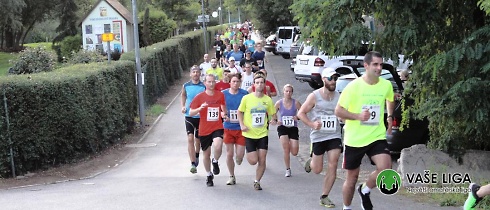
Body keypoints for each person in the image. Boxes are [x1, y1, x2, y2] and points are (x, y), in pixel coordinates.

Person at [335, 51, 394, 210]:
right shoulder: (353, 87)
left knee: (386, 169)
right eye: (375, 64)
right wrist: (358, 116)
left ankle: (365, 190)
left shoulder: (385, 84)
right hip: (355, 139)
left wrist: (389, 117)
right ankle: (347, 207)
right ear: (366, 66)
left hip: (376, 136)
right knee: (352, 178)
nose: (379, 68)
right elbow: (338, 111)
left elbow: (390, 98)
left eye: (381, 64)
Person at [297, 68, 343, 208]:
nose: (333, 81)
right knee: (317, 170)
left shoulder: (339, 96)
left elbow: (344, 112)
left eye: (335, 78)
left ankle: (325, 196)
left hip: (334, 134)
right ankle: (311, 161)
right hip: (318, 136)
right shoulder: (314, 96)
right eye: (331, 78)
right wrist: (311, 124)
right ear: (323, 79)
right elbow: (301, 113)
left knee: (333, 164)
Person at [238, 74, 277, 190]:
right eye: (258, 82)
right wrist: (242, 125)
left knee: (262, 159)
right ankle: (248, 154)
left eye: (262, 82)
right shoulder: (247, 98)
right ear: (254, 84)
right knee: (253, 161)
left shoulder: (268, 100)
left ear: (264, 85)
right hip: (249, 133)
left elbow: (272, 114)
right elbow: (239, 112)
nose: (260, 84)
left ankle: (257, 181)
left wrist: (273, 120)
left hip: (262, 134)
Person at [189, 74, 228, 187]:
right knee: (206, 154)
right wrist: (199, 109)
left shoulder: (220, 95)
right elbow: (191, 112)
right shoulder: (199, 97)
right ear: (205, 83)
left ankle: (215, 161)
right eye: (209, 82)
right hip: (204, 129)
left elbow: (223, 106)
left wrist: (224, 114)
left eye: (213, 82)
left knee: (218, 144)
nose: (211, 84)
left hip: (217, 126)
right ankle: (209, 175)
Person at [222, 73, 249, 185]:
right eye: (233, 81)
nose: (235, 83)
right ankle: (232, 176)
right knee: (229, 154)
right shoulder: (223, 94)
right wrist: (223, 114)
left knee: (240, 154)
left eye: (237, 81)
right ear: (230, 82)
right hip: (228, 127)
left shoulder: (245, 94)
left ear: (240, 83)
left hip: (241, 128)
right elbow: (221, 107)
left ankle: (239, 158)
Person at [181, 65, 206, 174]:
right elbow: (183, 95)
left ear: (200, 74)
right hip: (189, 115)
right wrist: (183, 106)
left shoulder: (204, 86)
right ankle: (192, 163)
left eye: (197, 72)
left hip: (200, 116)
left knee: (198, 139)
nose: (195, 74)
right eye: (193, 72)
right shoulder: (186, 85)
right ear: (190, 74)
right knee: (190, 138)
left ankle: (196, 154)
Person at [274, 84, 302, 177]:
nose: (288, 93)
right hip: (283, 127)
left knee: (294, 152)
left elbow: (303, 113)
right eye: (286, 91)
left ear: (292, 92)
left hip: (293, 127)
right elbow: (272, 113)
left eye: (290, 91)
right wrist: (276, 120)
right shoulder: (279, 103)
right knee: (286, 149)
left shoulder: (296, 103)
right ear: (283, 92)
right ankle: (288, 169)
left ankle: (292, 146)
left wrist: (297, 117)